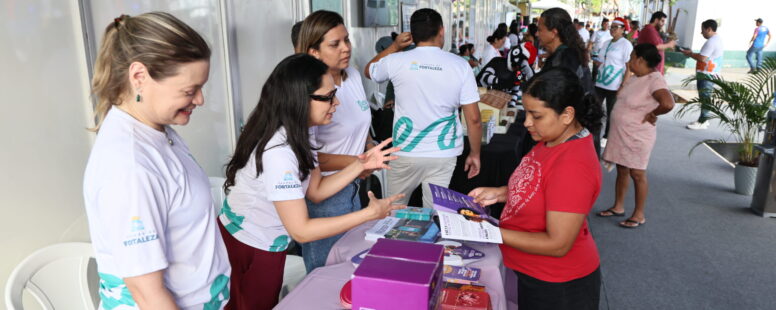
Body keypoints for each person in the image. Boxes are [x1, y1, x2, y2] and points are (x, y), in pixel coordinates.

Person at [219, 54, 405, 309]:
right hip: (249, 245)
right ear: (299, 99)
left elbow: (316, 191)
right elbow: (302, 231)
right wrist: (369, 214)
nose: (336, 103)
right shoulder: (279, 153)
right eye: (328, 97)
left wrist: (360, 164)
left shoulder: (304, 130)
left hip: (269, 242)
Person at [82, 12, 231, 309]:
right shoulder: (130, 168)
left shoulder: (156, 132)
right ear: (139, 77)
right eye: (189, 91)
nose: (200, 100)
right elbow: (147, 293)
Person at [469, 67, 604, 310]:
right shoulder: (553, 139)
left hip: (558, 286)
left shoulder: (573, 164)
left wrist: (489, 232)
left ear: (567, 114)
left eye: (536, 115)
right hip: (534, 275)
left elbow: (558, 244)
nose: (527, 122)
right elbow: (540, 186)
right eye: (527, 113)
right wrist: (500, 193)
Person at [364, 8, 482, 208]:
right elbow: (474, 120)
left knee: (392, 210)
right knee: (434, 212)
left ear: (412, 34)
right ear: (441, 31)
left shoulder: (395, 60)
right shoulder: (460, 65)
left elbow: (369, 70)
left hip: (404, 151)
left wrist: (394, 46)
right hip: (443, 153)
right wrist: (475, 154)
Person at [293, 10, 377, 273]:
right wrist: (359, 163)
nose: (346, 48)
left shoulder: (352, 75)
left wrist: (368, 146)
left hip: (352, 184)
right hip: (325, 193)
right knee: (325, 272)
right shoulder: (309, 94)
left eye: (347, 40)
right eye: (335, 44)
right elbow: (308, 157)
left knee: (349, 267)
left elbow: (361, 122)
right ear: (314, 52)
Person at [598, 44, 675, 228]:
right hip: (622, 133)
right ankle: (618, 206)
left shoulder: (654, 79)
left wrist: (653, 114)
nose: (629, 61)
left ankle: (639, 214)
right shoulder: (636, 77)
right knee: (622, 168)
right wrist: (627, 73)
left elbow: (668, 103)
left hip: (638, 135)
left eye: (631, 58)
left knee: (637, 173)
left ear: (640, 60)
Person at [535, 8, 598, 154]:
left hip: (570, 136)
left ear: (554, 32)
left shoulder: (565, 58)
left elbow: (559, 100)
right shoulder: (564, 54)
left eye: (540, 29)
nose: (537, 34)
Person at [595, 17, 633, 146]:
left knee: (611, 112)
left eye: (616, 27)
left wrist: (623, 85)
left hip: (614, 84)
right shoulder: (606, 42)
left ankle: (607, 136)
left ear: (623, 29)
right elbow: (601, 60)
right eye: (611, 27)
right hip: (600, 81)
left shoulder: (626, 44)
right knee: (595, 108)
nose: (612, 29)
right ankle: (593, 133)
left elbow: (629, 68)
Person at [682, 19, 723, 130]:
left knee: (705, 98)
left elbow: (702, 58)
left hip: (707, 75)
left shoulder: (711, 42)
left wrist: (690, 54)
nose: (701, 33)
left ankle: (703, 121)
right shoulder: (716, 39)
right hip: (709, 73)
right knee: (705, 97)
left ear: (709, 29)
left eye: (703, 30)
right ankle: (704, 119)